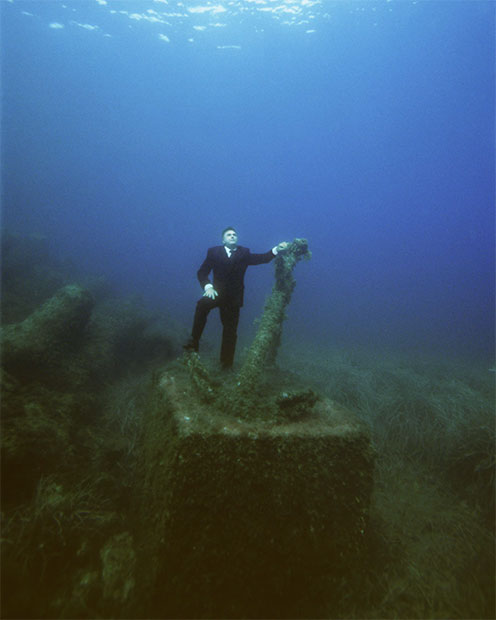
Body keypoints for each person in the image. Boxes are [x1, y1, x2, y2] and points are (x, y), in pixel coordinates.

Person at [184, 227, 288, 369]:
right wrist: (208, 287)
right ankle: (194, 342)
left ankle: (226, 364)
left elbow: (262, 258)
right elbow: (202, 272)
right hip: (216, 293)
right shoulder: (213, 252)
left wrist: (277, 249)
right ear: (223, 240)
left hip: (233, 298)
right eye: (229, 235)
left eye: (234, 234)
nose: (232, 236)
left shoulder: (244, 253)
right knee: (201, 305)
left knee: (230, 331)